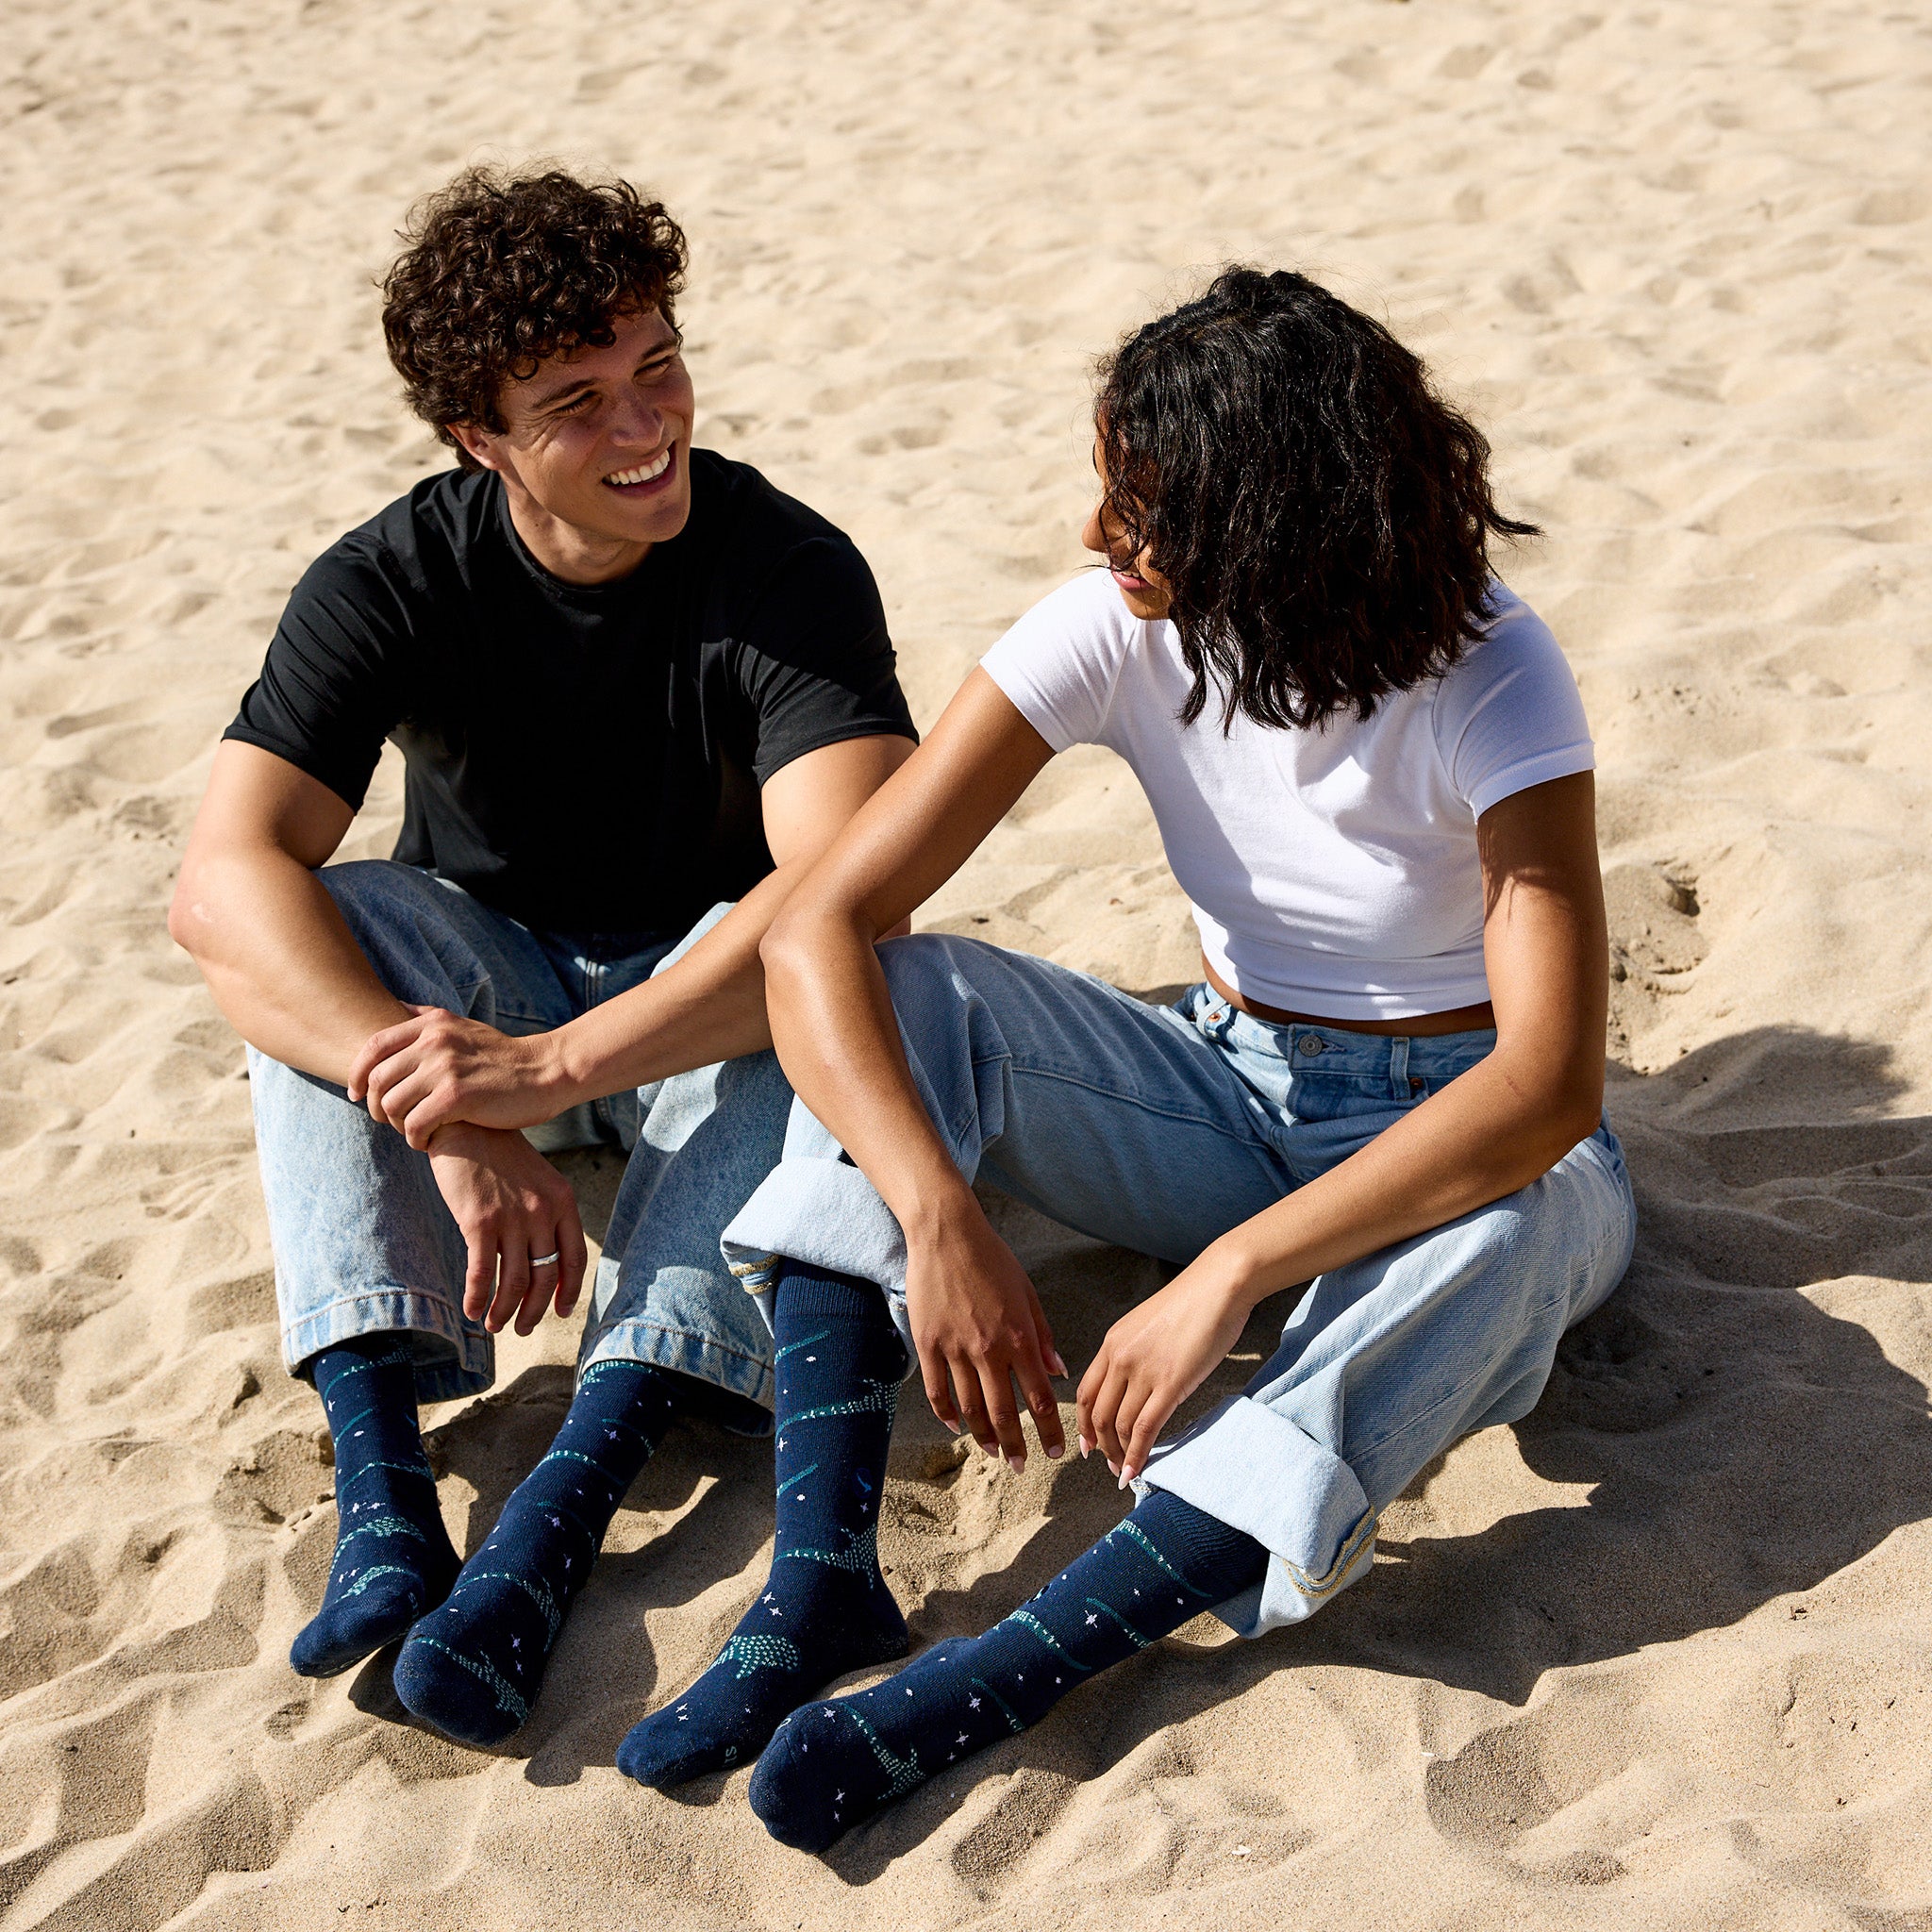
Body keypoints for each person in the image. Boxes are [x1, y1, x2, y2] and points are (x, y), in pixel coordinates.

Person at [615, 267, 1636, 1847]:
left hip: (1464, 1139)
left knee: (1522, 1228)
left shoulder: (1497, 673)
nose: (1102, 530)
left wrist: (1231, 1273)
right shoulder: (1114, 627)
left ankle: (1014, 1669)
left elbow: (1551, 1084)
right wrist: (936, 1212)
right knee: (920, 990)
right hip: (1225, 1086)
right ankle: (822, 1581)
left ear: (1269, 520)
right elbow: (822, 929)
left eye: (1141, 501)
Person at [168, 167, 916, 1746]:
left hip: (693, 1025)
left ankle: (562, 1502)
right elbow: (217, 882)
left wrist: (554, 1070)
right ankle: (382, 1495)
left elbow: (857, 887)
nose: (647, 426)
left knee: (818, 955)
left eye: (659, 366)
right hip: (490, 990)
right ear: (480, 441)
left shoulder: (784, 567)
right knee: (323, 913)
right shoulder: (394, 575)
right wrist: (449, 1108)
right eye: (576, 403)